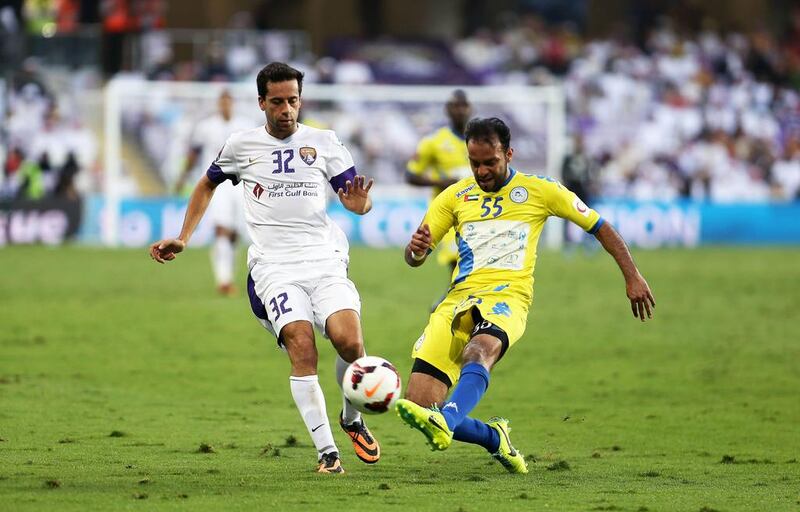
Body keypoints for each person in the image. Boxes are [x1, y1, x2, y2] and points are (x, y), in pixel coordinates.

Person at [149, 62, 381, 474]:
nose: (287, 109)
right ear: (261, 103)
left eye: (293, 100)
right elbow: (206, 183)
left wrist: (359, 204)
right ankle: (328, 453)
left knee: (351, 344)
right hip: (275, 267)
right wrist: (183, 236)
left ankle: (352, 419)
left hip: (324, 260)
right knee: (302, 347)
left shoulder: (324, 142)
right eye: (277, 102)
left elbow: (356, 198)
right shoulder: (241, 145)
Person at [396, 117, 655, 474]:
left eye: (490, 162)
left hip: (508, 297)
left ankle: (450, 418)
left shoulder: (541, 190)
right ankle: (493, 437)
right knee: (420, 406)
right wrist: (416, 250)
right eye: (475, 163)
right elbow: (415, 257)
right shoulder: (453, 196)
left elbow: (599, 226)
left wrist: (633, 275)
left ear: (509, 154)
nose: (482, 171)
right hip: (458, 299)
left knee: (479, 351)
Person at [174, 90, 253, 296]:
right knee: (221, 229)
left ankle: (227, 275)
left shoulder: (245, 125)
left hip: (241, 184)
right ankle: (223, 280)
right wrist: (183, 177)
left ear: (233, 104)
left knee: (235, 233)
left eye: (228, 102)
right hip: (216, 184)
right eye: (222, 102)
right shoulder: (206, 127)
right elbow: (194, 154)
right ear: (219, 104)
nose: (225, 105)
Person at [405, 89, 473, 286]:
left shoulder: (480, 140)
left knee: (472, 274)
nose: (460, 111)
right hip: (449, 213)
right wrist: (440, 183)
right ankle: (446, 308)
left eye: (463, 105)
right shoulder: (434, 142)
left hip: (477, 212)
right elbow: (411, 175)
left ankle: (445, 307)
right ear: (447, 110)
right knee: (459, 269)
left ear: (470, 108)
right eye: (455, 106)